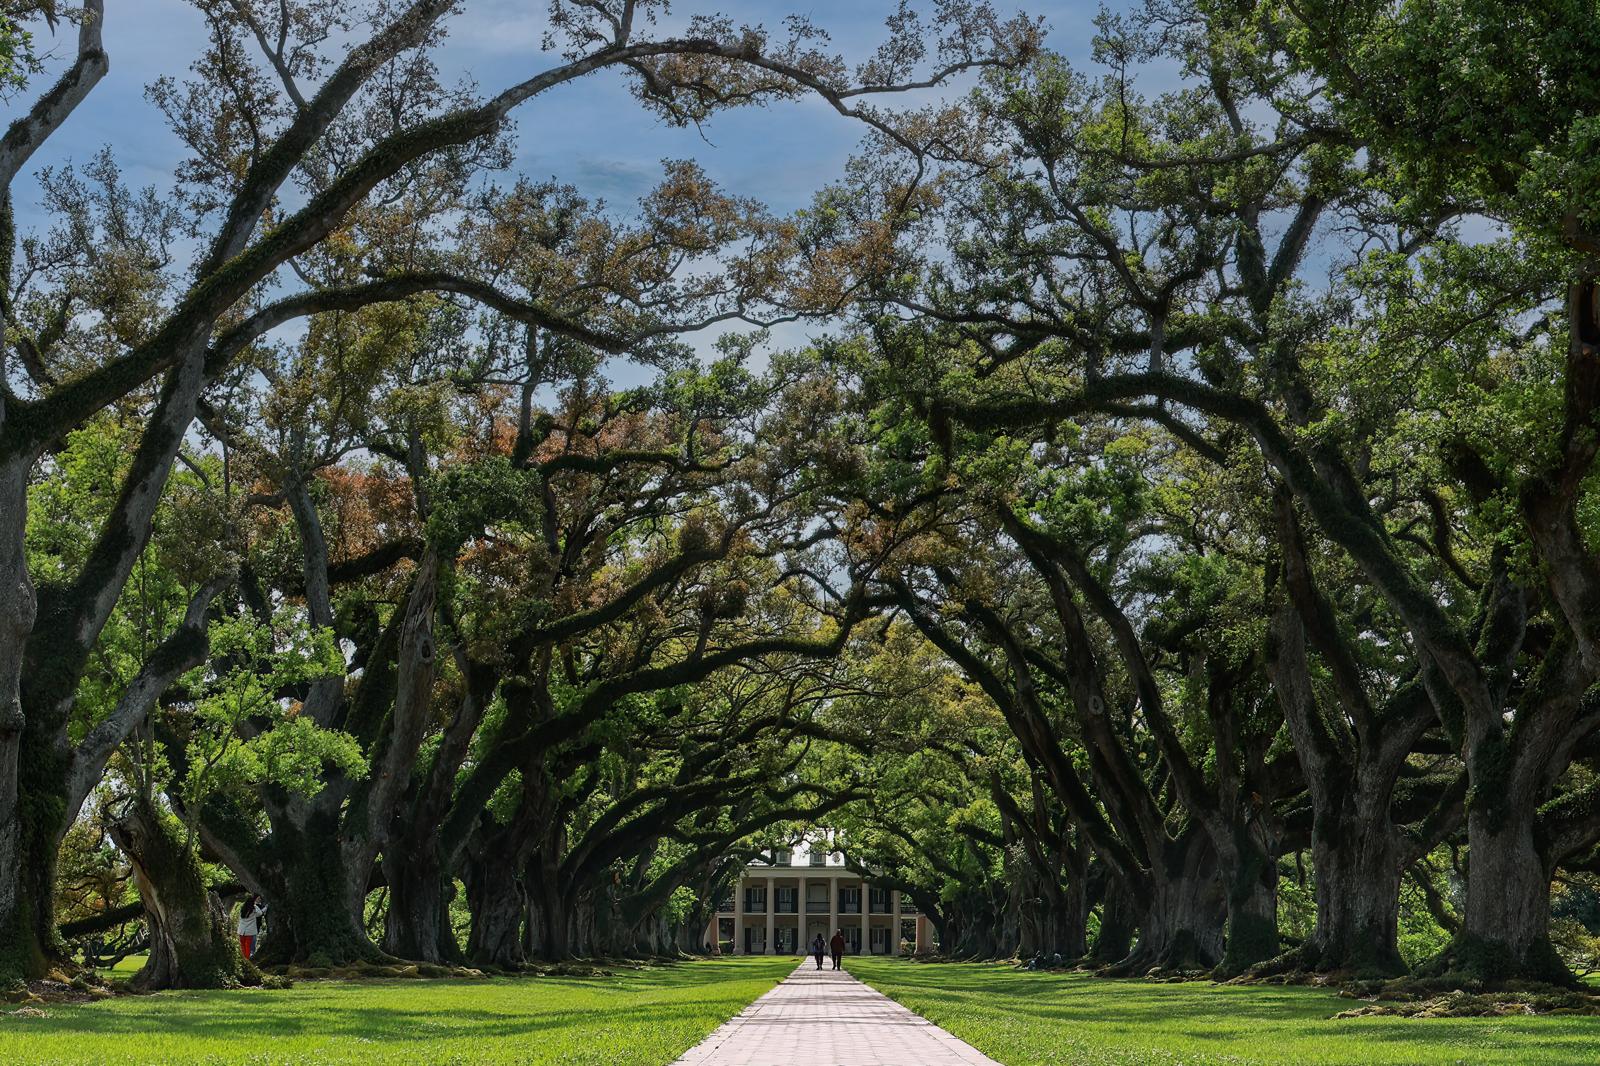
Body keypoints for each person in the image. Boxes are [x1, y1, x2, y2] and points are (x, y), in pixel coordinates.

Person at [237, 894, 267, 960]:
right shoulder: (254, 908)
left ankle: (243, 959)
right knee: (248, 946)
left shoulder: (243, 908)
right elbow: (260, 913)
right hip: (249, 932)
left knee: (242, 946)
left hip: (241, 931)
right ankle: (247, 960)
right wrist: (266, 908)